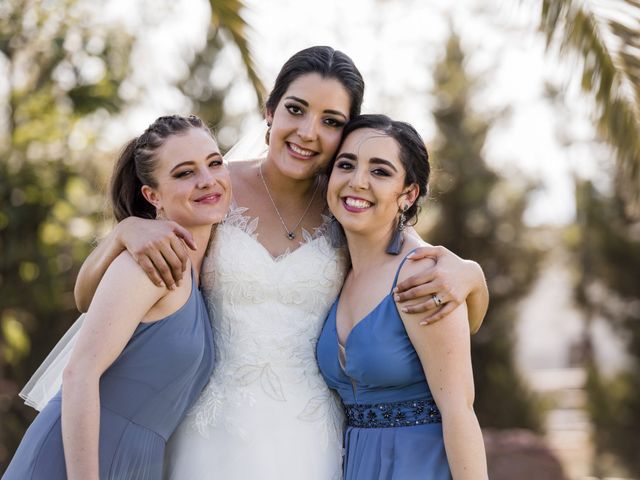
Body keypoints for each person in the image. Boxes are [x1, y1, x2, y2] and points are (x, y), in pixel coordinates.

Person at [72, 47, 489, 480]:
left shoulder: (349, 205)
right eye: (296, 109)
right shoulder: (215, 187)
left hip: (312, 436)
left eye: (331, 122)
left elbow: (420, 268)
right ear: (269, 110)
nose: (308, 132)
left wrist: (472, 276)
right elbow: (91, 300)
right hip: (213, 431)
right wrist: (123, 234)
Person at [3, 115, 228, 479]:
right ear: (152, 195)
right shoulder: (152, 265)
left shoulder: (196, 272)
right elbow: (79, 375)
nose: (207, 180)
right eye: (185, 172)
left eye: (215, 163)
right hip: (76, 463)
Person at [317, 114, 487, 479]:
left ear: (407, 195)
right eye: (346, 165)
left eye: (380, 172)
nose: (357, 181)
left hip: (419, 465)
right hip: (358, 464)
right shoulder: (336, 270)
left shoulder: (424, 274)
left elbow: (459, 410)